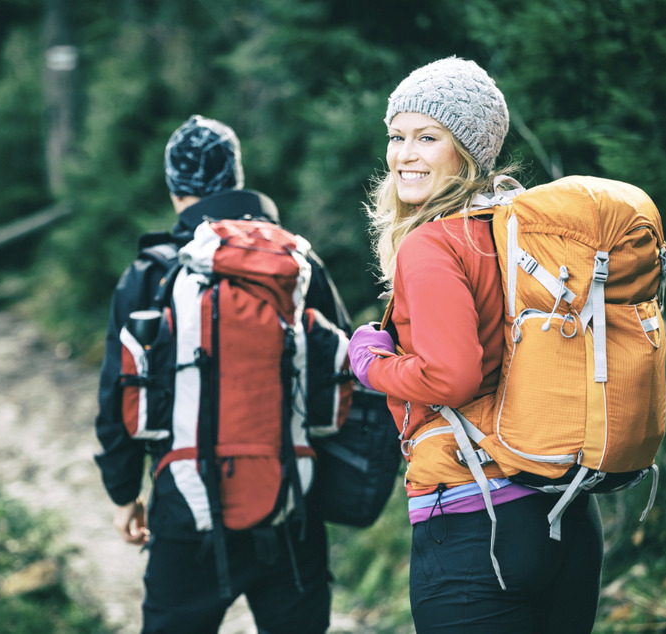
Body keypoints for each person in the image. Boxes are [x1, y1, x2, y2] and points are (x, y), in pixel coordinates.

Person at [347, 57, 604, 633]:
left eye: (427, 138)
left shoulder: (432, 244)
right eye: (397, 136)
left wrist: (371, 364)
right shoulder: (523, 234)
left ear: (467, 149)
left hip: (476, 524)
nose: (404, 155)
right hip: (565, 513)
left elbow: (453, 377)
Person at [94, 114, 351, 633]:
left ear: (174, 188)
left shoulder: (154, 271)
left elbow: (117, 392)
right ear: (236, 178)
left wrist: (124, 494)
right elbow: (346, 372)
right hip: (291, 502)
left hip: (187, 504)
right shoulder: (297, 264)